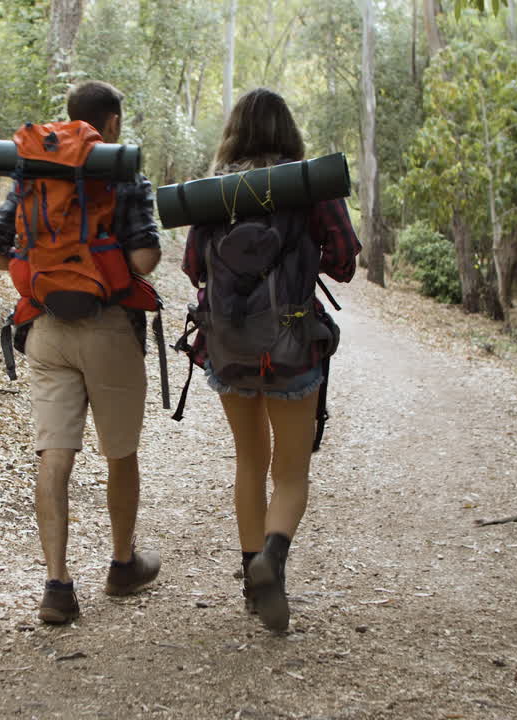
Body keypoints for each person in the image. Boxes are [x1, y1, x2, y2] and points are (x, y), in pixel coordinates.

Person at [0, 81, 163, 625]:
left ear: (70, 118)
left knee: (54, 456)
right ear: (113, 124)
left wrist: (49, 265)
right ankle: (122, 565)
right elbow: (146, 260)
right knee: (119, 452)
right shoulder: (122, 173)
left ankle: (57, 586)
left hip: (47, 331)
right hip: (107, 331)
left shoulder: (34, 171)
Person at [181, 88, 360, 631]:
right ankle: (272, 563)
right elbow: (346, 261)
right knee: (290, 471)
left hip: (230, 347)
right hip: (292, 347)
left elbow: (194, 268)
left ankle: (251, 586)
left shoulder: (216, 191)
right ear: (290, 132)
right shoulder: (309, 187)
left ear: (234, 132)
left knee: (249, 463)